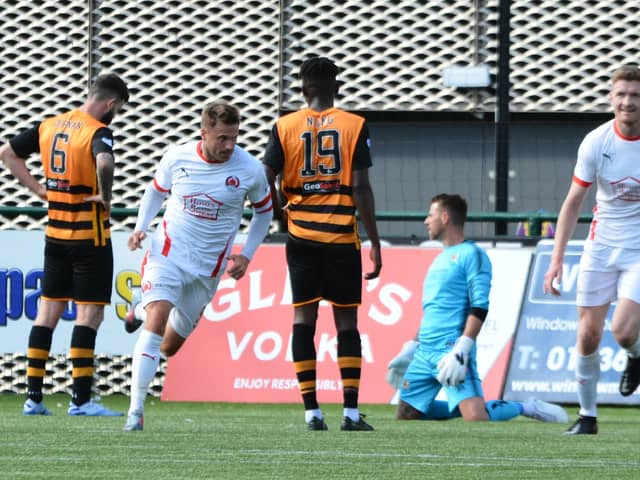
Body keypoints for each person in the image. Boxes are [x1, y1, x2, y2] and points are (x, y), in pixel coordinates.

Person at [123, 100, 273, 431]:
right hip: (169, 254)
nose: (229, 145)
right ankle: (135, 412)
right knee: (157, 320)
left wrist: (247, 254)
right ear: (203, 133)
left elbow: (265, 212)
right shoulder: (177, 157)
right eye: (222, 138)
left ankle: (138, 306)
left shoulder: (249, 169)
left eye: (234, 137)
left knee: (170, 347)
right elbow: (155, 193)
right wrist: (140, 227)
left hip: (209, 268)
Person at [263, 56, 382, 431]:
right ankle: (349, 412)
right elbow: (361, 187)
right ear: (337, 87)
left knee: (303, 318)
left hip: (300, 236)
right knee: (346, 320)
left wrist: (279, 208)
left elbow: (264, 173)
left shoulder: (284, 126)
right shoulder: (355, 124)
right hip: (340, 237)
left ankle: (311, 411)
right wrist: (374, 241)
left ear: (302, 88)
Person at [0, 73, 130, 416]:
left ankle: (33, 397)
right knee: (89, 316)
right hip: (90, 236)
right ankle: (81, 400)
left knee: (47, 314)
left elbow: (8, 154)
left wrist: (37, 189)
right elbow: (105, 160)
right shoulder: (97, 131)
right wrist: (106, 195)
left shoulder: (50, 125)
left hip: (55, 234)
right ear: (111, 103)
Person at [389, 194, 569, 424]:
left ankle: (526, 407)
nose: (426, 221)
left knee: (476, 418)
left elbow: (480, 305)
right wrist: (411, 346)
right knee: (407, 415)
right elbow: (432, 310)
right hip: (424, 352)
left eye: (430, 215)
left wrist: (462, 348)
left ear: (445, 217)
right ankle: (470, 407)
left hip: (450, 349)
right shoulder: (438, 260)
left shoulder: (472, 254)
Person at [543, 64, 640, 435]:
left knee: (625, 330)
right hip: (601, 247)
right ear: (611, 97)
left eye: (634, 95)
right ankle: (587, 417)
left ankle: (635, 355)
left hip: (638, 250)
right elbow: (572, 203)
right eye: (621, 94)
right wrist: (555, 261)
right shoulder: (596, 142)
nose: (627, 102)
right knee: (587, 335)